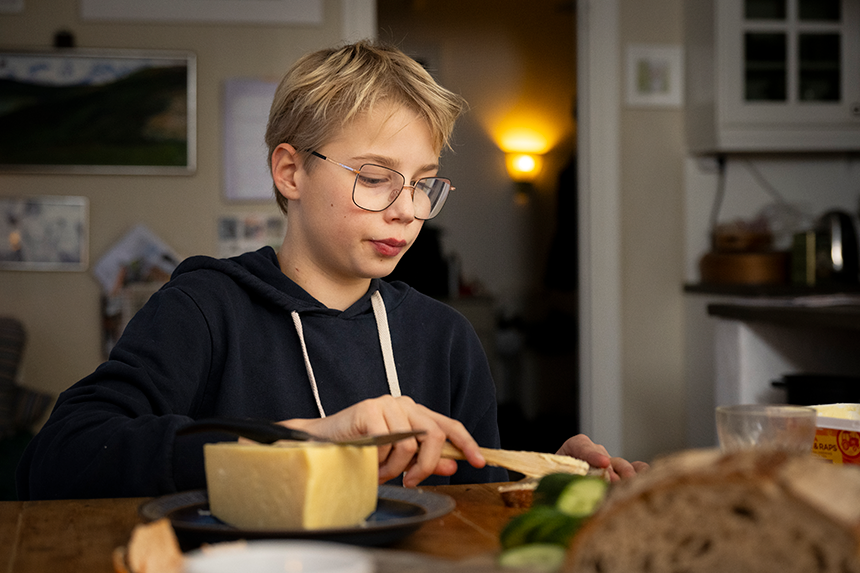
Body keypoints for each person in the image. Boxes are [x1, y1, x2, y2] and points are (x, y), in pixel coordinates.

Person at [16, 41, 646, 500]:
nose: (407, 210)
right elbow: (60, 459)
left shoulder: (445, 339)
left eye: (424, 185)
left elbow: (472, 494)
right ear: (290, 172)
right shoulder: (205, 308)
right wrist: (305, 441)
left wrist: (548, 480)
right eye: (375, 179)